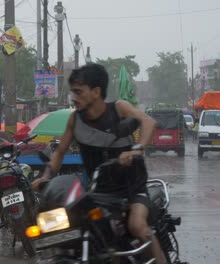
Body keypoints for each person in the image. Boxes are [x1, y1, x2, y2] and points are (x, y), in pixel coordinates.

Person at [32, 63, 165, 264]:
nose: (73, 97)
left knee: (137, 226)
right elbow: (59, 152)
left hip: (131, 190)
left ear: (96, 92)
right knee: (78, 230)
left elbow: (148, 122)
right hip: (98, 192)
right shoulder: (74, 120)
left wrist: (136, 150)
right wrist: (46, 177)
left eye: (78, 92)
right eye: (72, 92)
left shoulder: (119, 108)